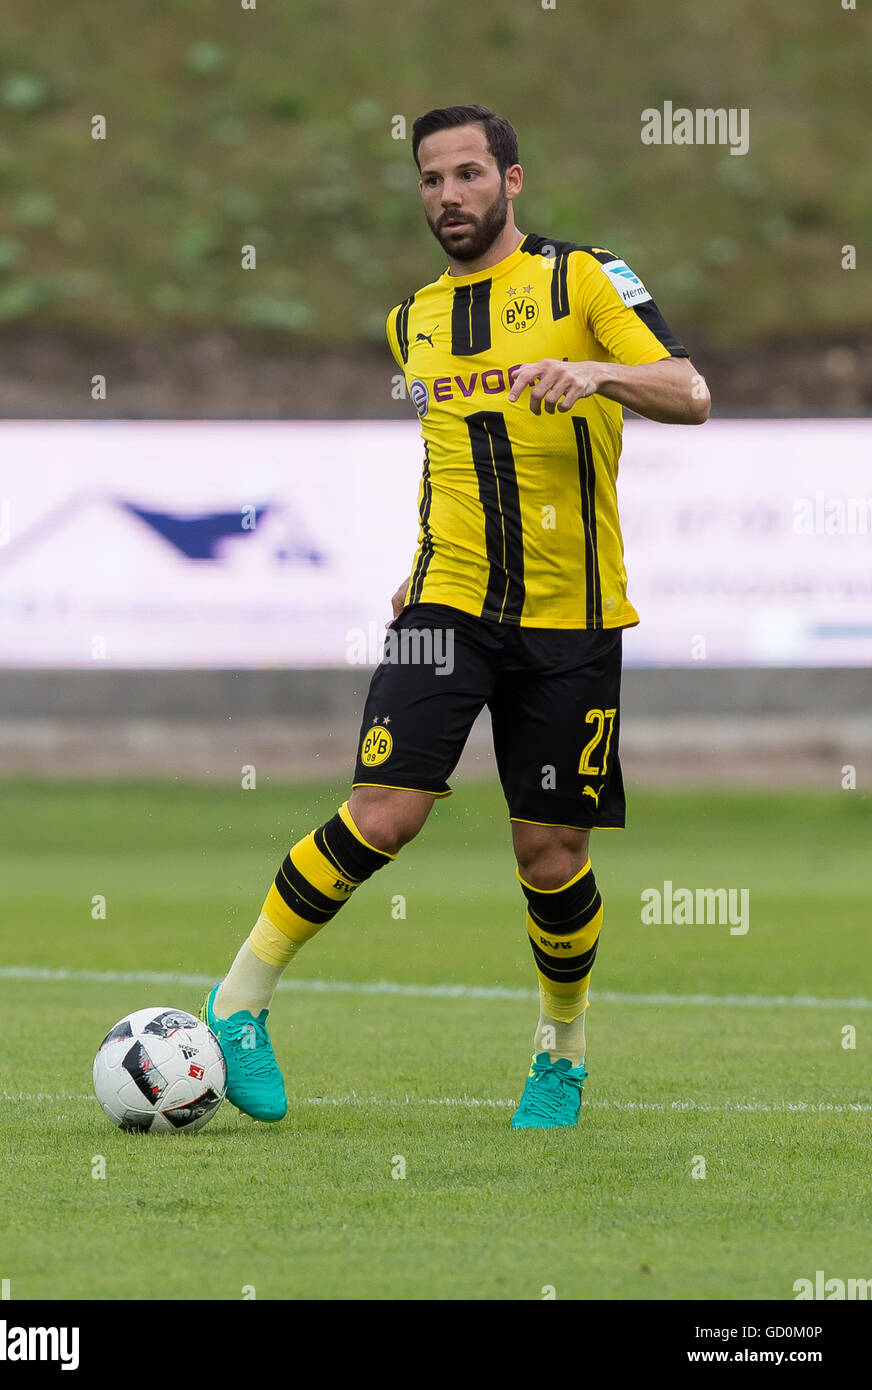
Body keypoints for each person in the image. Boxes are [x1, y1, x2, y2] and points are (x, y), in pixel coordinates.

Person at [201, 103, 709, 1129]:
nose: (448, 197)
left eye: (468, 175)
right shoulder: (413, 319)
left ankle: (558, 1054)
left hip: (571, 616)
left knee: (549, 854)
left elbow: (689, 390)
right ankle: (237, 1003)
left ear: (510, 182)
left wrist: (598, 373)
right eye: (431, 180)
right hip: (448, 602)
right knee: (384, 811)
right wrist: (416, 568)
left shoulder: (583, 279)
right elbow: (448, 454)